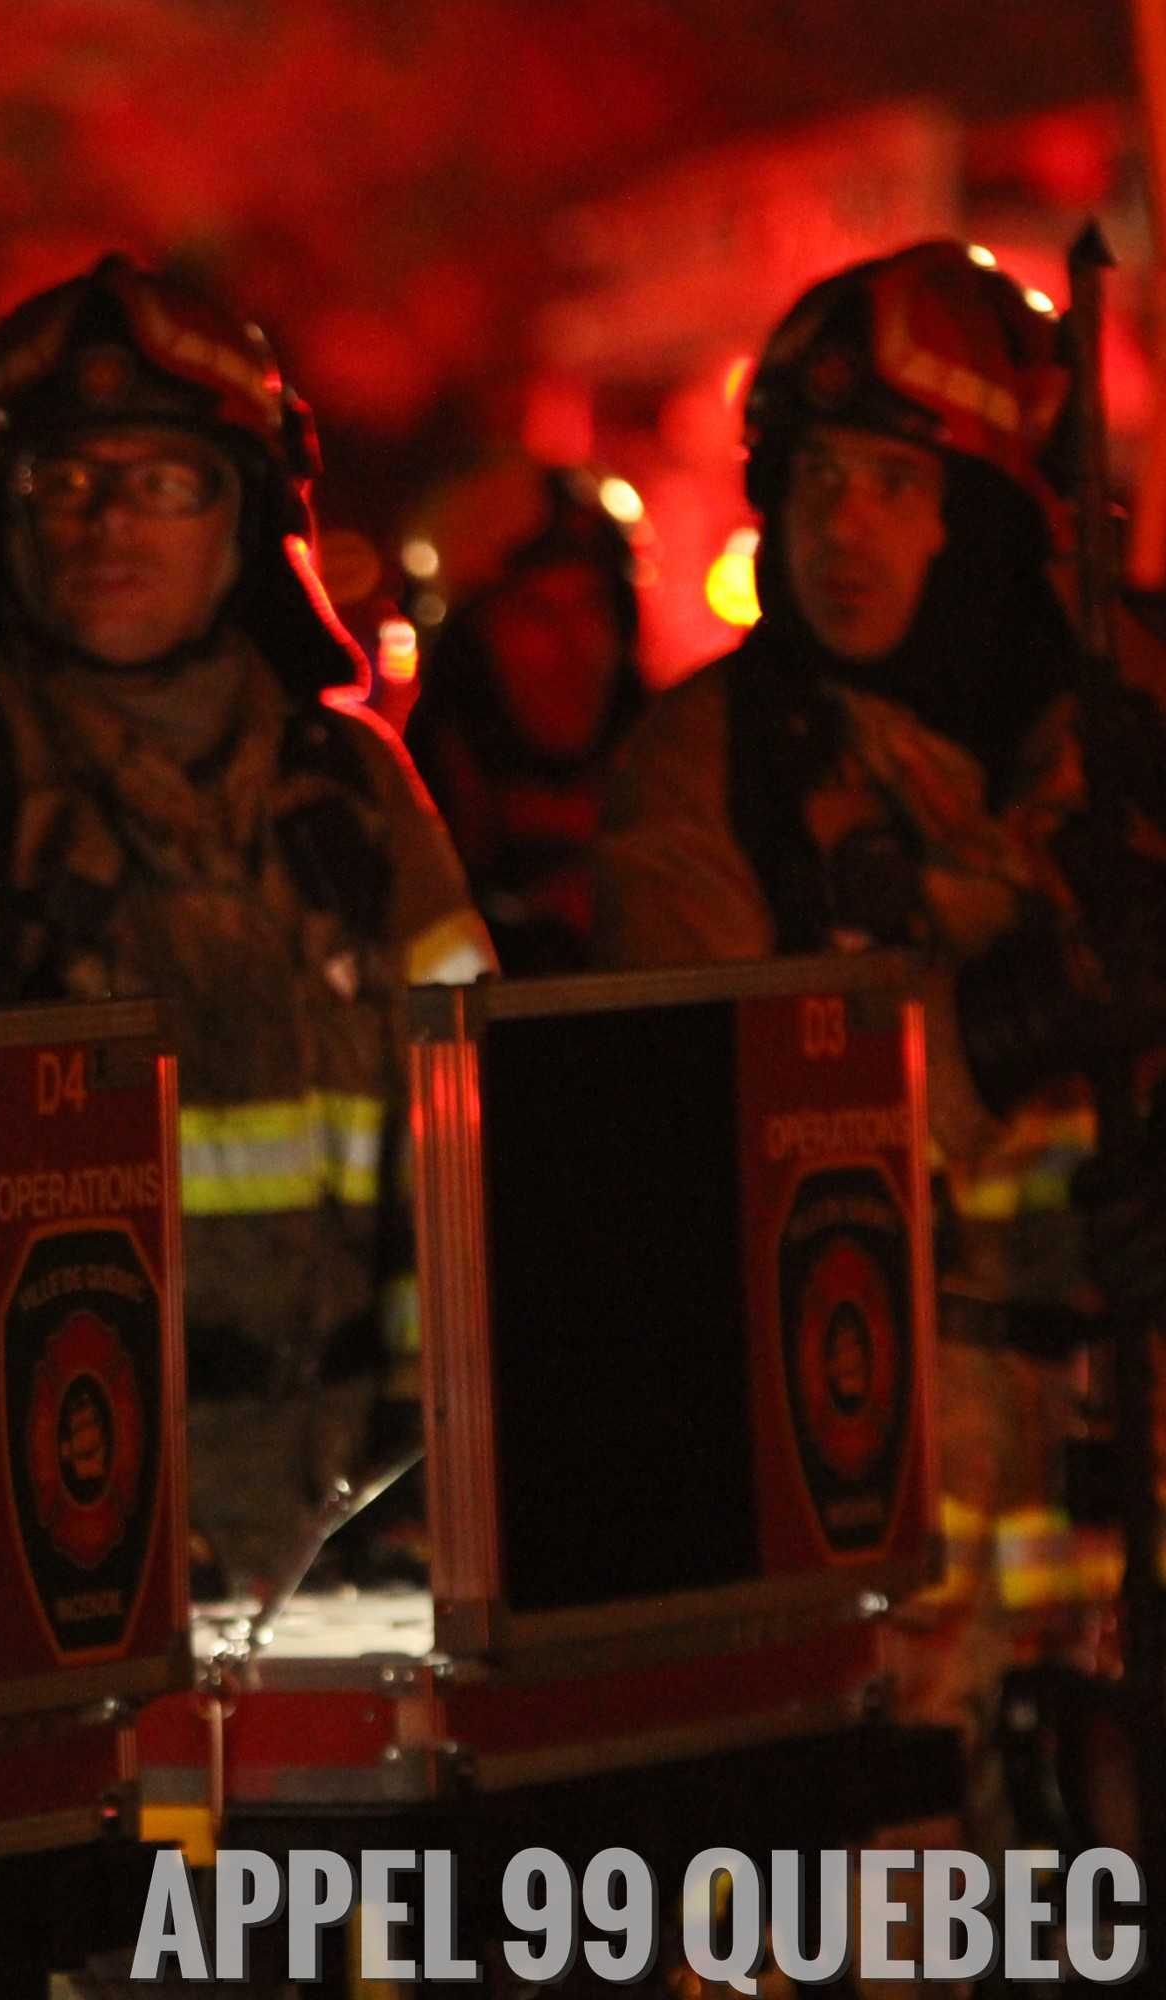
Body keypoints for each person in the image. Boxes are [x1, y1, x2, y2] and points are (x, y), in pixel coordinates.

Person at [592, 238, 1144, 1846]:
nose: (836, 528)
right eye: (814, 479)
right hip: (880, 1582)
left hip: (1135, 1539)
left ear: (989, 520)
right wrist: (1001, 1024)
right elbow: (695, 1138)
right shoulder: (708, 779)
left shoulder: (1135, 732)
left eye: (894, 485)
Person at [0, 256, 492, 1596]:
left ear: (245, 517)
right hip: (52, 1556)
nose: (106, 524)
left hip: (357, 1548)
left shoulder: (355, 795)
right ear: (5, 513)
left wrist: (446, 1467)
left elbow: (479, 1152)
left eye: (163, 481)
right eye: (64, 480)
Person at [399, 453, 650, 973]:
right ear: (468, 648)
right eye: (536, 611)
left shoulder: (678, 805)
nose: (575, 646)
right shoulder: (404, 836)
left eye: (593, 607)